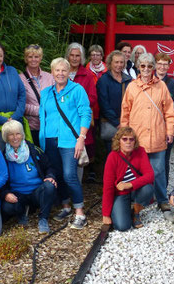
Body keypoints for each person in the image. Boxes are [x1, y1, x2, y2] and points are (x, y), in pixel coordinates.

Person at [121, 52, 174, 212]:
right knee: (135, 170)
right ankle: (137, 200)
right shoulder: (132, 87)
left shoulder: (162, 86)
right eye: (143, 66)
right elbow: (125, 112)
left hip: (157, 135)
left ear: (154, 68)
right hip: (136, 137)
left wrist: (170, 130)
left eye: (149, 66)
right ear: (138, 67)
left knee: (159, 171)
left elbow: (169, 112)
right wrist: (124, 135)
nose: (146, 69)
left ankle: (162, 199)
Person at [39, 58, 91, 229]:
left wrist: (81, 138)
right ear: (52, 72)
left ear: (69, 72)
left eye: (63, 70)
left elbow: (85, 114)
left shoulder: (77, 90)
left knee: (70, 175)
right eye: (57, 70)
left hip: (70, 141)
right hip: (50, 140)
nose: (60, 73)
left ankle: (79, 212)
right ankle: (66, 206)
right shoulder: (46, 92)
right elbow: (43, 117)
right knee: (58, 174)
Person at [0, 120, 57, 234]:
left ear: (22, 134)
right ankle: (22, 214)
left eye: (18, 134)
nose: (15, 137)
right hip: (18, 194)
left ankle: (43, 218)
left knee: (50, 186)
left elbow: (49, 167)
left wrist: (50, 176)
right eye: (11, 134)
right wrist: (6, 194)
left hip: (36, 191)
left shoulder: (34, 150)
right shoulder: (3, 156)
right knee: (7, 207)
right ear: (6, 137)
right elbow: (0, 180)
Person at [101, 127, 155, 231]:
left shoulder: (140, 151)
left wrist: (129, 184)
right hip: (120, 193)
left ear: (135, 141)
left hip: (136, 190)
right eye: (124, 139)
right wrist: (106, 214)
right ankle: (125, 209)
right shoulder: (113, 157)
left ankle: (136, 213)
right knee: (122, 226)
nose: (128, 142)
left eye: (131, 139)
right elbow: (108, 187)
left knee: (148, 188)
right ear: (119, 141)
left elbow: (150, 175)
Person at [66, 43, 98, 171]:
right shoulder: (62, 72)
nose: (74, 58)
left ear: (82, 57)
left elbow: (93, 97)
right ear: (67, 56)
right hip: (64, 119)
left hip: (80, 119)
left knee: (80, 152)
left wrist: (76, 104)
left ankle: (77, 186)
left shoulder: (87, 75)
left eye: (77, 56)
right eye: (72, 55)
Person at [97, 50, 133, 154]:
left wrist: (126, 122)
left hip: (127, 123)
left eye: (121, 62)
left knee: (127, 155)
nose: (119, 65)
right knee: (112, 154)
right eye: (116, 62)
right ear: (110, 63)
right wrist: (117, 123)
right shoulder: (103, 80)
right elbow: (104, 104)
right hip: (111, 124)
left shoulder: (128, 80)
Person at [156, 52, 174, 184]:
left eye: (165, 64)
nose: (162, 67)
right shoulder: (148, 81)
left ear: (168, 66)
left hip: (167, 128)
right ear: (155, 65)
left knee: (164, 158)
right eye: (159, 64)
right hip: (151, 128)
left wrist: (168, 126)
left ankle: (163, 188)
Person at [20, 44, 54, 146]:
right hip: (32, 127)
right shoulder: (20, 79)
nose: (33, 60)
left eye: (36, 57)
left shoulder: (50, 77)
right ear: (26, 59)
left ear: (41, 58)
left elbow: (55, 98)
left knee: (50, 159)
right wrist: (39, 110)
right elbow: (20, 104)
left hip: (49, 126)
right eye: (30, 57)